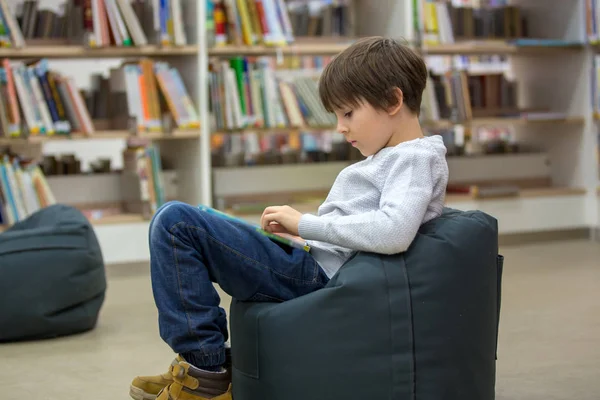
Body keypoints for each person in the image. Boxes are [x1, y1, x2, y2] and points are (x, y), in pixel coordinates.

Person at [129, 36, 449, 400]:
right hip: (312, 261)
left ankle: (205, 372)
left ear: (393, 101)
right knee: (194, 220)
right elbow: (362, 227)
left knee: (177, 224)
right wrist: (302, 236)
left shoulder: (413, 159)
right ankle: (202, 365)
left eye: (348, 114)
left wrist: (304, 225)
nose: (340, 128)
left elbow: (394, 232)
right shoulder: (392, 157)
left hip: (318, 278)